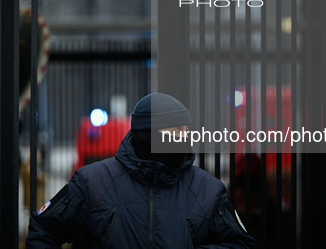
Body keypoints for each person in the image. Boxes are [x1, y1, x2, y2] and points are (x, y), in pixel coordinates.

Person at [27, 93, 257, 248]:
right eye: (174, 130)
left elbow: (242, 244)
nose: (183, 138)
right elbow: (43, 229)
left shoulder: (208, 190)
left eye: (186, 130)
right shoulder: (92, 183)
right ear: (147, 133)